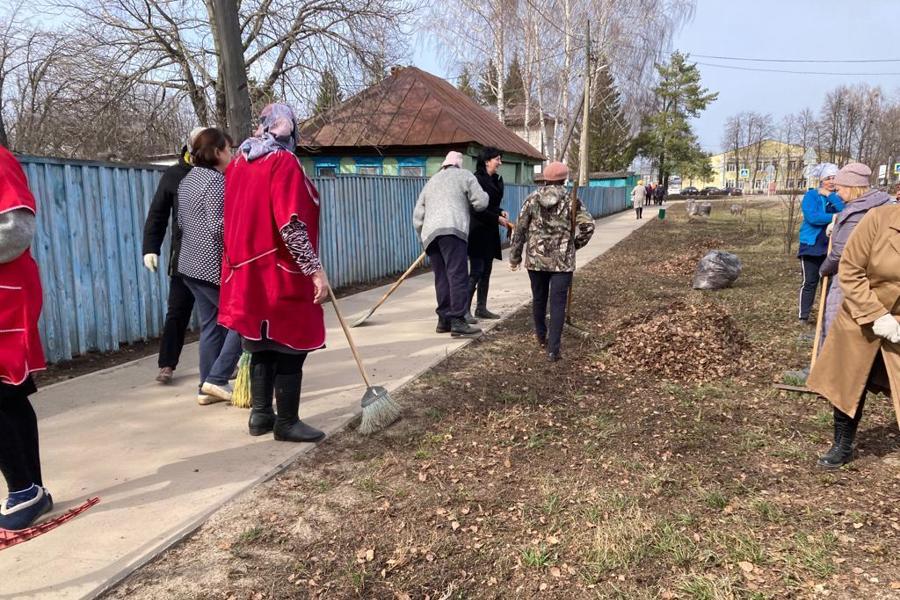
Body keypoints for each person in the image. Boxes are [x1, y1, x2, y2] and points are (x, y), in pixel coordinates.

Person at [219, 103, 328, 443]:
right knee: (292, 344)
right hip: (277, 271)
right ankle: (287, 421)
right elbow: (291, 224)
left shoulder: (239, 162)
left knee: (260, 343)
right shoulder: (282, 162)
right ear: (289, 129)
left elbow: (227, 220)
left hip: (243, 272)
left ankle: (261, 414)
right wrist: (314, 271)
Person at [807, 199, 900, 469]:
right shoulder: (878, 219)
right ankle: (842, 445)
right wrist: (877, 315)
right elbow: (850, 269)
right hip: (862, 316)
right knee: (849, 383)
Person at [0, 147, 52, 531]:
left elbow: (16, 229)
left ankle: (22, 488)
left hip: (7, 292)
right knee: (11, 392)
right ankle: (32, 487)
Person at [176, 128, 241, 405]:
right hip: (211, 268)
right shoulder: (214, 181)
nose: (231, 154)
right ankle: (217, 377)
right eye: (228, 149)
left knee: (212, 326)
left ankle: (206, 387)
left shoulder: (188, 180)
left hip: (189, 266)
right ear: (216, 152)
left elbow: (181, 223)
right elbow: (218, 228)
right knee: (242, 321)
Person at [509, 161, 594, 362]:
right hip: (562, 262)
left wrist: (515, 256)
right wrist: (573, 245)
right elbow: (588, 227)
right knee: (558, 303)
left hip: (536, 260)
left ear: (545, 179)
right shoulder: (572, 200)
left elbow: (519, 229)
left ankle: (540, 336)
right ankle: (553, 350)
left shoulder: (531, 199)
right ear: (564, 179)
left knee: (539, 298)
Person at [142, 127, 204, 385]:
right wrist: (150, 248)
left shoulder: (221, 173)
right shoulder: (174, 175)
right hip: (185, 258)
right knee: (177, 311)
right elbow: (157, 215)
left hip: (218, 257)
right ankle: (167, 364)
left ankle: (222, 364)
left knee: (220, 315)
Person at [413, 151, 488, 337]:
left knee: (442, 277)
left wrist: (422, 237)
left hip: (430, 235)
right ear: (458, 165)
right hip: (453, 231)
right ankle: (458, 320)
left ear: (444, 165)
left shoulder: (432, 181)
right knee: (457, 276)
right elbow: (481, 202)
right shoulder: (464, 175)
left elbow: (417, 215)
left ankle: (443, 320)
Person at [819, 163, 894, 342]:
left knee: (839, 335)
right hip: (878, 279)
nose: (837, 193)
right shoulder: (881, 204)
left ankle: (833, 368)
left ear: (851, 188)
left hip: (853, 278)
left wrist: (823, 269)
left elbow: (841, 253)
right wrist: (837, 223)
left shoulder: (857, 213)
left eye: (839, 188)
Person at [797, 163, 843, 324]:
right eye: (828, 178)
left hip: (832, 245)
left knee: (830, 283)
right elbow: (813, 217)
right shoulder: (812, 195)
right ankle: (804, 316)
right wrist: (834, 217)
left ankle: (826, 317)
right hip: (811, 245)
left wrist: (831, 197)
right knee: (810, 281)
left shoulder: (839, 196)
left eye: (834, 178)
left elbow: (845, 212)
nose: (831, 181)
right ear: (821, 180)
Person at [467, 147, 510, 322]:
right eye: (497, 159)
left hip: (490, 232)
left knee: (486, 272)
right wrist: (496, 218)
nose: (500, 163)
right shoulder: (476, 180)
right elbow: (476, 209)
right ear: (487, 161)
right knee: (476, 272)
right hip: (477, 232)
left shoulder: (494, 180)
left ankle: (481, 308)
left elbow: (490, 206)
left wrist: (501, 211)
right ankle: (463, 311)